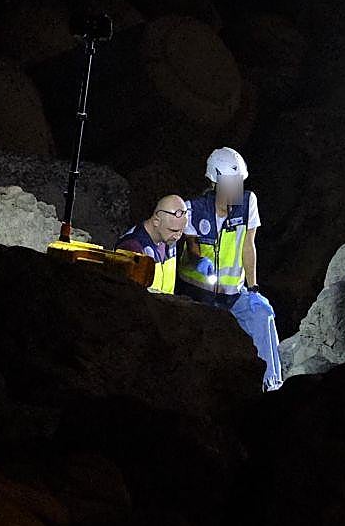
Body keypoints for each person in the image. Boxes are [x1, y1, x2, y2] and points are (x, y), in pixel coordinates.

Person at [177, 147, 282, 391]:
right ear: (214, 182)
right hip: (199, 295)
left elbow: (248, 246)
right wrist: (200, 262)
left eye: (239, 182)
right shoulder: (193, 209)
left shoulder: (248, 203)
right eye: (229, 183)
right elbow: (191, 248)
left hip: (233, 294)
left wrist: (254, 289)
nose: (235, 188)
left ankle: (273, 384)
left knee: (263, 317)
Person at [115, 194, 187, 294]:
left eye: (181, 231)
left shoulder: (168, 240)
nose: (177, 236)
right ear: (156, 221)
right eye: (173, 230)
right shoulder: (132, 247)